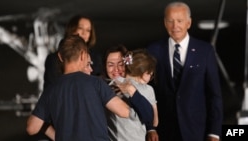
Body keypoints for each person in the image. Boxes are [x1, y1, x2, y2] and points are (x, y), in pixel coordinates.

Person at [26, 35, 128, 141]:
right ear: (83, 55)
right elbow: (124, 112)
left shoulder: (51, 90)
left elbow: (31, 128)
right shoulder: (96, 83)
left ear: (60, 56)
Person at [146, 2, 223, 141]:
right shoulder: (153, 51)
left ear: (189, 22)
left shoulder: (205, 51)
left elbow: (214, 95)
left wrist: (214, 133)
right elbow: (147, 91)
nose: (175, 26)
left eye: (180, 21)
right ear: (165, 23)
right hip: (163, 132)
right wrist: (150, 127)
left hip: (197, 131)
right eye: (170, 21)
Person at [103, 45, 158, 141]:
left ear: (128, 64)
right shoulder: (103, 87)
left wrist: (150, 129)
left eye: (120, 64)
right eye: (111, 65)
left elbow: (152, 121)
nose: (116, 69)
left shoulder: (145, 89)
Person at [43, 14, 102, 90]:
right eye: (81, 28)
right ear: (72, 29)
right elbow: (50, 89)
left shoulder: (96, 57)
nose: (84, 33)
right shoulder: (53, 59)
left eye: (88, 30)